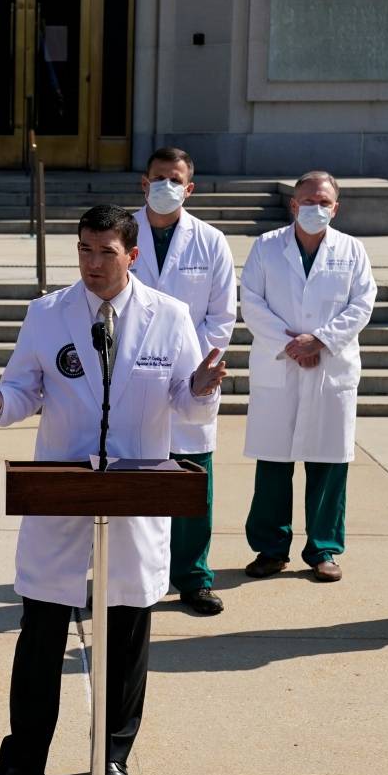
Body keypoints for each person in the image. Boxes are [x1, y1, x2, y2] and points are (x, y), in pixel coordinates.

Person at [0, 204, 228, 775]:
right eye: (83, 249)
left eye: (106, 252)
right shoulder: (48, 314)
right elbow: (25, 387)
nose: (92, 263)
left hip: (135, 490)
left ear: (132, 256)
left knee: (127, 627)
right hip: (61, 486)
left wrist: (202, 389)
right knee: (42, 627)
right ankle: (23, 759)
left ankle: (112, 756)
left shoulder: (171, 317)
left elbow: (184, 398)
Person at [239, 171, 376, 582]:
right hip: (279, 365)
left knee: (329, 463)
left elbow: (362, 303)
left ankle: (323, 549)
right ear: (293, 205)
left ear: (336, 207)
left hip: (330, 368)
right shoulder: (266, 247)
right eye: (308, 202)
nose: (316, 209)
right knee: (274, 464)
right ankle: (271, 547)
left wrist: (319, 340)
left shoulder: (352, 250)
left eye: (324, 202)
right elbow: (252, 301)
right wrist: (293, 348)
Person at [130, 146, 236, 615]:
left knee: (192, 479)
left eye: (175, 179)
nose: (165, 186)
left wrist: (192, 366)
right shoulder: (122, 231)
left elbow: (221, 314)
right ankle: (133, 576)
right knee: (139, 481)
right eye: (158, 177)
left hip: (193, 375)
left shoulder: (210, 241)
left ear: (189, 188)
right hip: (133, 374)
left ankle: (193, 576)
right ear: (144, 181)